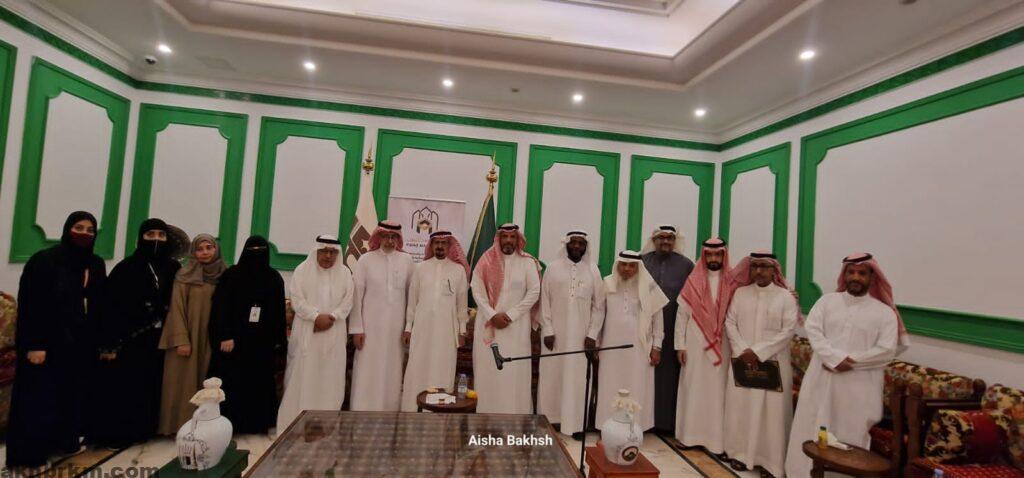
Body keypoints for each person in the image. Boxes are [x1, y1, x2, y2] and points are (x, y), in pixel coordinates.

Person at [784, 253, 909, 477]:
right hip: (820, 379)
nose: (856, 277)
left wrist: (848, 362)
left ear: (872, 277)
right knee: (809, 426)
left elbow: (887, 350)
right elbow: (813, 330)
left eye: (862, 273)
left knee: (850, 435)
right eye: (851, 272)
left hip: (858, 388)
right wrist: (832, 358)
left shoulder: (884, 313)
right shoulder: (827, 302)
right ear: (844, 274)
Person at [6, 211, 106, 468]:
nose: (84, 234)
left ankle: (64, 443)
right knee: (40, 400)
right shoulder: (45, 261)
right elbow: (32, 305)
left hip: (79, 345)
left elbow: (99, 303)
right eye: (79, 228)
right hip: (48, 344)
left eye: (90, 230)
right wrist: (35, 344)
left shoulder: (95, 263)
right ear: (67, 229)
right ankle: (30, 457)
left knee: (70, 397)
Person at [94, 218, 181, 448]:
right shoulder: (126, 268)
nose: (156, 240)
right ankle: (122, 433)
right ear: (141, 238)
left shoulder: (173, 268)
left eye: (161, 235)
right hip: (131, 339)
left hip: (161, 340)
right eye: (150, 235)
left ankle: (147, 429)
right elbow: (110, 308)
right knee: (128, 387)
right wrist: (109, 344)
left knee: (153, 386)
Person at [722, 251, 800, 477]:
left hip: (773, 363)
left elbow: (789, 330)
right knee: (741, 409)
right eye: (755, 266)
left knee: (771, 416)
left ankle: (771, 463)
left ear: (774, 270)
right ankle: (739, 454)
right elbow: (730, 322)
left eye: (764, 267)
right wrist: (742, 350)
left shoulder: (785, 297)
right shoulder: (741, 293)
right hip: (743, 361)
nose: (759, 271)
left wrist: (758, 352)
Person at [208, 235, 287, 434]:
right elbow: (220, 308)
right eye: (253, 251)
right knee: (233, 383)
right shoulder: (231, 275)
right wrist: (224, 335)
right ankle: (230, 423)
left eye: (261, 251)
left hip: (262, 344)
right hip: (234, 342)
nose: (257, 255)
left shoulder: (273, 278)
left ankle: (257, 424)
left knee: (258, 384)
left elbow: (278, 312)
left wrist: (279, 342)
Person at [277, 235, 353, 431]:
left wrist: (333, 316)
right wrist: (315, 316)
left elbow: (348, 301)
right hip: (307, 331)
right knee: (303, 376)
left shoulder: (345, 273)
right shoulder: (302, 271)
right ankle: (293, 424)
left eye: (332, 252)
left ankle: (326, 426)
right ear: (316, 251)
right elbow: (297, 300)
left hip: (334, 332)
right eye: (324, 251)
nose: (328, 256)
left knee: (330, 377)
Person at [537, 230, 605, 438]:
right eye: (573, 242)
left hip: (581, 339)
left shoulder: (593, 271)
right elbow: (544, 301)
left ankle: (576, 425)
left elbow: (599, 306)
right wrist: (547, 329)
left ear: (586, 246)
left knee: (578, 379)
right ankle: (551, 420)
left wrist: (592, 334)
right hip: (555, 337)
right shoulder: (553, 268)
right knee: (552, 377)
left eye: (581, 243)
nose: (576, 246)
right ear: (566, 244)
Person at [158, 234, 226, 435]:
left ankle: (204, 428)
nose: (205, 252)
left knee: (207, 382)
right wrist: (181, 339)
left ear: (216, 249)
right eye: (199, 249)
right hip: (188, 337)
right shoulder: (185, 275)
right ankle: (178, 426)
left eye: (209, 247)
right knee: (182, 384)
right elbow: (176, 309)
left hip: (211, 338)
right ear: (193, 252)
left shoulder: (225, 275)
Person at [470, 224, 541, 414]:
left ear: (518, 239)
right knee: (489, 371)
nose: (508, 240)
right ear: (499, 239)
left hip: (517, 327)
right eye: (505, 237)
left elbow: (534, 292)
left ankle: (515, 416)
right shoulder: (485, 260)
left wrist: (511, 315)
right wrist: (492, 315)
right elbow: (477, 291)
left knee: (514, 372)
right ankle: (486, 414)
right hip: (489, 326)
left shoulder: (527, 263)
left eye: (512, 237)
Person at [594, 251, 668, 432]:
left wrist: (657, 347)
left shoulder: (649, 287)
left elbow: (657, 320)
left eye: (632, 265)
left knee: (636, 385)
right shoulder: (607, 283)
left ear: (638, 267)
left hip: (639, 349)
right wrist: (595, 342)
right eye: (623, 264)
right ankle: (607, 427)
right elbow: (598, 314)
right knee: (609, 385)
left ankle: (635, 428)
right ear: (618, 265)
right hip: (610, 348)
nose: (627, 269)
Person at [400, 231, 470, 412]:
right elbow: (412, 301)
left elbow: (462, 304)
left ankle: (440, 409)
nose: (440, 246)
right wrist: (408, 327)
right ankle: (412, 408)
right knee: (418, 364)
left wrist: (462, 330)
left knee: (443, 365)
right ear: (431, 246)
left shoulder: (458, 270)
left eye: (444, 243)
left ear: (449, 246)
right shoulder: (420, 268)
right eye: (436, 243)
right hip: (422, 328)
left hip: (447, 330)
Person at [349, 221, 415, 412]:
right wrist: (357, 329)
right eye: (386, 236)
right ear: (378, 237)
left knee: (392, 370)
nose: (390, 241)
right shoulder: (365, 260)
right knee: (367, 369)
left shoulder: (407, 261)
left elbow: (412, 297)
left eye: (394, 237)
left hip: (396, 330)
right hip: (369, 329)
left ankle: (389, 412)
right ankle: (361, 410)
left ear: (398, 239)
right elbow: (356, 297)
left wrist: (408, 327)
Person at [675, 237, 732, 454]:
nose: (714, 259)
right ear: (704, 256)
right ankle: (688, 436)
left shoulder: (732, 282)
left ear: (724, 256)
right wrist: (680, 345)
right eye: (710, 255)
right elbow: (682, 315)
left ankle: (715, 442)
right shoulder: (694, 280)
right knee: (693, 388)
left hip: (721, 345)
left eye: (718, 255)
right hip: (695, 343)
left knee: (717, 392)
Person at [641, 224, 695, 433]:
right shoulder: (642, 261)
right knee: (645, 372)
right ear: (654, 240)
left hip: (674, 327)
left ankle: (665, 423)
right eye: (661, 238)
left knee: (669, 376)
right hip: (645, 327)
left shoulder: (686, 265)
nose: (665, 241)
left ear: (675, 241)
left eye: (670, 238)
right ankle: (643, 420)